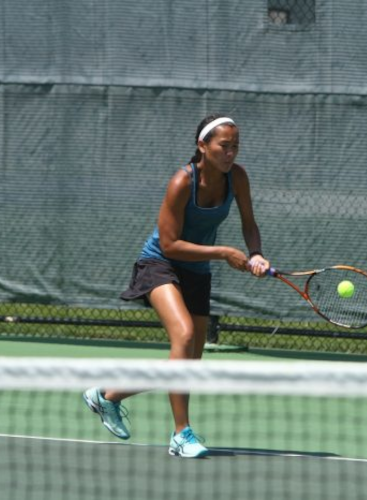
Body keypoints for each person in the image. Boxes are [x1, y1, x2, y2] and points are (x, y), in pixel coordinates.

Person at [83, 114, 270, 458]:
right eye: (224, 146)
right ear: (203, 146)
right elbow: (169, 245)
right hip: (160, 264)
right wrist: (223, 252)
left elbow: (249, 223)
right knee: (183, 336)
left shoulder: (238, 178)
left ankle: (108, 395)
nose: (230, 153)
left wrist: (256, 253)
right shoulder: (182, 181)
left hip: (196, 271)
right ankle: (181, 435)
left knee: (187, 362)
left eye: (235, 146)